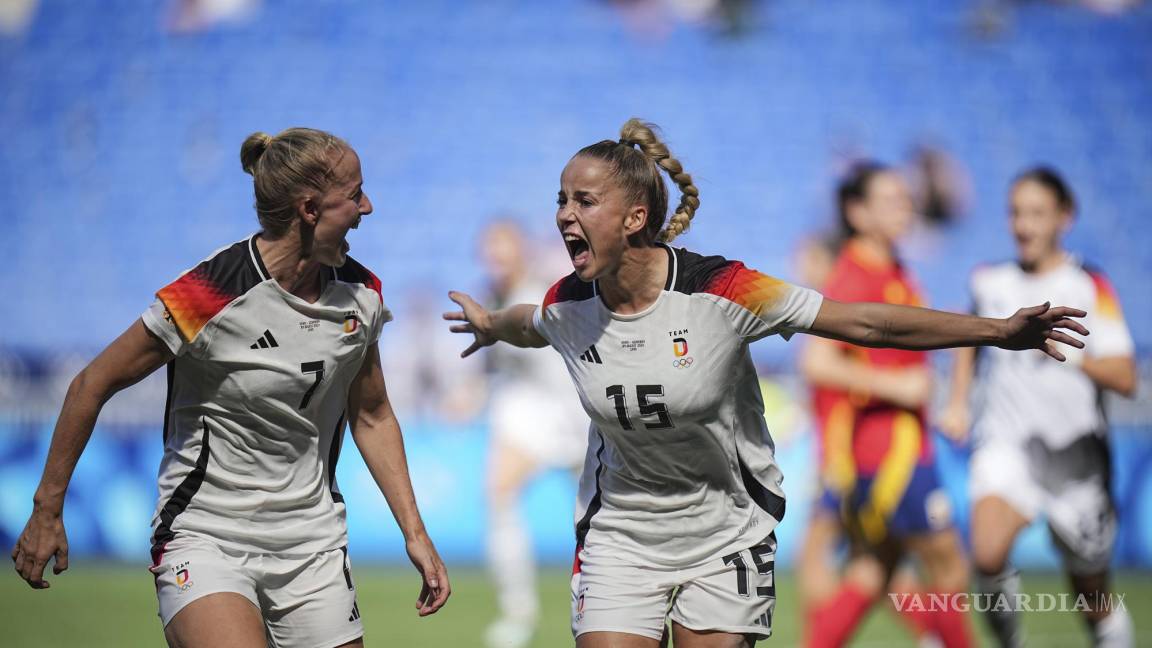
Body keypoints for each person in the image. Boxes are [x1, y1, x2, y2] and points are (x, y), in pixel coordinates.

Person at [443, 118, 1088, 648]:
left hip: (725, 536)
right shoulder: (568, 302)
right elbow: (530, 322)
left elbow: (864, 323)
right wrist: (489, 324)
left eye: (583, 201)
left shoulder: (724, 290)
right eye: (561, 199)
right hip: (620, 539)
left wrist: (998, 331)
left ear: (635, 217)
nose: (563, 215)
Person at [10, 127, 451, 648]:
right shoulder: (210, 290)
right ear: (310, 209)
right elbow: (91, 383)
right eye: (355, 195)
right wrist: (46, 509)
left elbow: (373, 416)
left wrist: (415, 533)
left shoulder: (362, 295)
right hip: (205, 535)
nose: (368, 206)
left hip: (313, 546)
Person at [940, 166, 1136, 648]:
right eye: (1015, 212)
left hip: (1077, 465)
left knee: (1092, 596)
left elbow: (1126, 377)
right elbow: (968, 337)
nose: (1023, 224)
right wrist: (958, 401)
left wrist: (1069, 356)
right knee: (986, 556)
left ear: (1064, 217)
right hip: (1007, 447)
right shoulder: (989, 281)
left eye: (1036, 213)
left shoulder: (1090, 285)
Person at [798, 162, 970, 648]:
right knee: (948, 568)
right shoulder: (853, 276)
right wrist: (899, 388)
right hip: (889, 452)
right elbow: (817, 362)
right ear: (857, 212)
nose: (905, 207)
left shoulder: (893, 269)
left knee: (874, 571)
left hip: (890, 447)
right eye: (891, 200)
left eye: (906, 198)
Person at [478, 220, 588, 648]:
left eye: (503, 248)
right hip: (524, 410)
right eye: (490, 250)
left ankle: (595, 597)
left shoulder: (544, 288)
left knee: (591, 515)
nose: (496, 259)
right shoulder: (491, 295)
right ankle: (518, 611)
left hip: (573, 409)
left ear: (521, 249)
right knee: (498, 493)